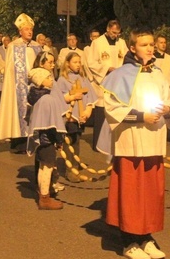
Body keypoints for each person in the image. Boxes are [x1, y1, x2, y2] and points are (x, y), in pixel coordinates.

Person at [98, 28, 170, 259]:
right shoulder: (120, 75)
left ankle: (147, 237)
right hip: (131, 143)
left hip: (153, 141)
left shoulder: (158, 74)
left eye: (151, 44)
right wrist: (141, 116)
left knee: (151, 193)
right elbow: (112, 110)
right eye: (144, 45)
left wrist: (168, 109)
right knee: (132, 193)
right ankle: (129, 241)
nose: (150, 48)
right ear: (132, 48)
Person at [0, 14, 42, 151]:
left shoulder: (37, 47)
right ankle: (19, 143)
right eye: (26, 29)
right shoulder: (13, 47)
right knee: (19, 113)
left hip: (34, 85)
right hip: (18, 87)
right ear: (20, 31)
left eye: (31, 30)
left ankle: (34, 140)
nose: (29, 32)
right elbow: (10, 69)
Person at [26, 51, 65, 209]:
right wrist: (59, 139)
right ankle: (45, 198)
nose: (51, 79)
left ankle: (43, 194)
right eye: (48, 78)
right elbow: (51, 124)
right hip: (47, 140)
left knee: (43, 167)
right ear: (41, 81)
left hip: (41, 140)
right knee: (48, 167)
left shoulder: (38, 97)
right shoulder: (47, 99)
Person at [86, 20, 128, 151]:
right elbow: (91, 63)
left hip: (118, 83)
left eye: (117, 33)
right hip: (103, 82)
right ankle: (98, 145)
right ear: (108, 29)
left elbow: (127, 59)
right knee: (102, 113)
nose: (115, 35)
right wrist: (106, 69)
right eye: (113, 32)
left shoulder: (122, 43)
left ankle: (115, 143)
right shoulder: (97, 43)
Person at [53, 51, 96, 180]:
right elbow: (58, 97)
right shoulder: (62, 80)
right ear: (67, 63)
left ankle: (75, 166)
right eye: (75, 62)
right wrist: (71, 97)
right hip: (70, 116)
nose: (78, 65)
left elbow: (90, 96)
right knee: (69, 142)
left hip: (80, 117)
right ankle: (70, 170)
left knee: (76, 141)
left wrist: (87, 112)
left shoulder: (83, 79)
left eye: (79, 62)